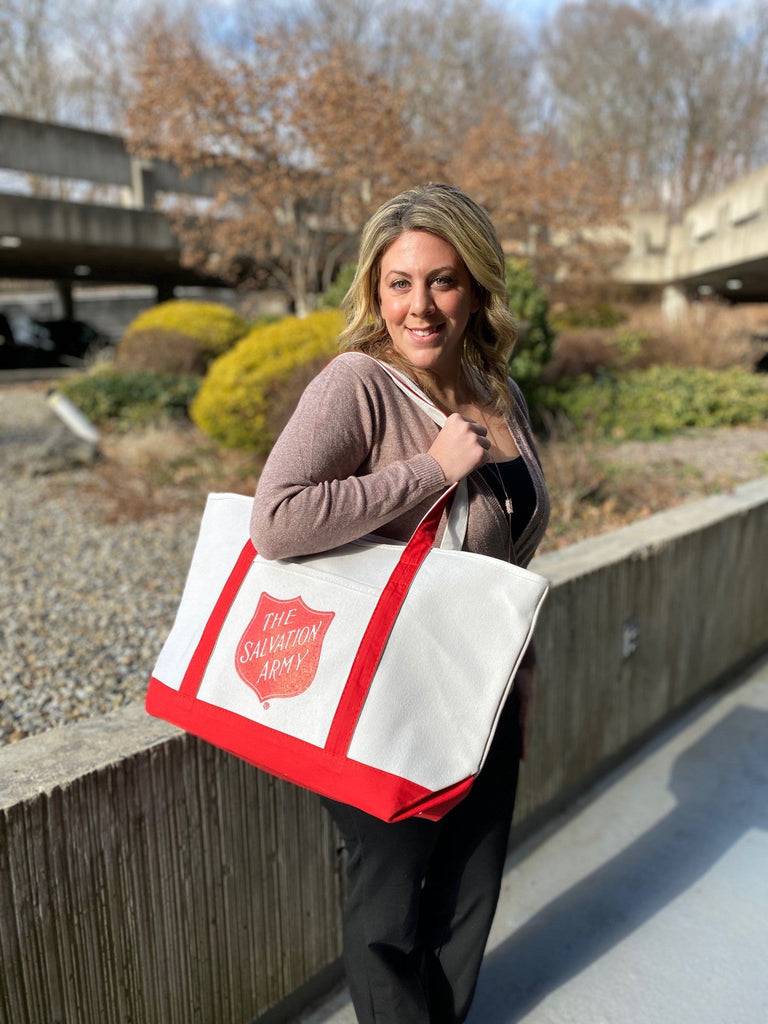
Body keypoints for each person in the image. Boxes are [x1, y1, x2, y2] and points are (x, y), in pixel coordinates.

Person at [250, 183, 550, 1024]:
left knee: (467, 891)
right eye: (399, 283)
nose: (420, 306)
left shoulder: (501, 394)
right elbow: (277, 519)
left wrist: (522, 669)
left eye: (443, 281)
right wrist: (431, 471)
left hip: (482, 689)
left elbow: (511, 551)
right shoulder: (358, 384)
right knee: (387, 909)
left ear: (478, 289)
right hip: (381, 696)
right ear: (375, 292)